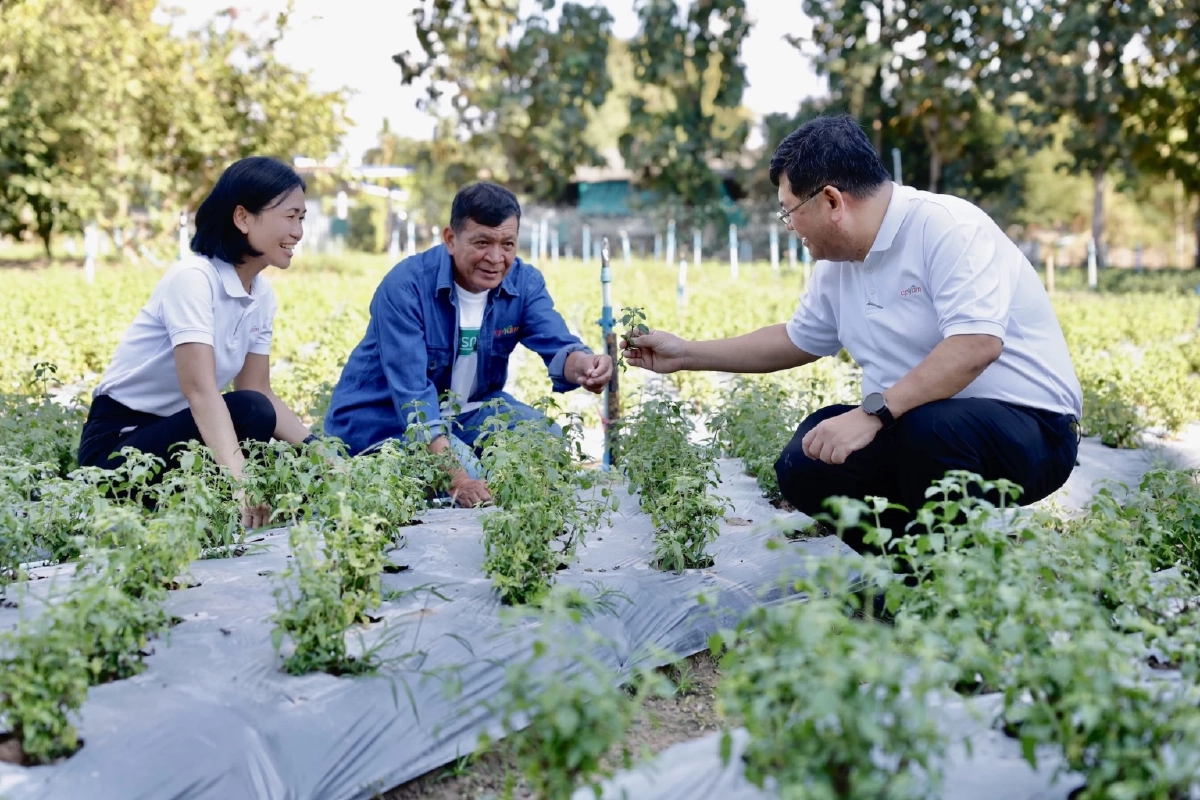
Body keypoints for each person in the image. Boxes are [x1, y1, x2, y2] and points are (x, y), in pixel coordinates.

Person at [623, 115, 1083, 554]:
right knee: (808, 457)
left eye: (789, 211)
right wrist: (685, 354)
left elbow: (976, 345)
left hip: (1033, 430)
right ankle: (918, 577)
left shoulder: (947, 227)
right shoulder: (838, 264)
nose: (789, 226)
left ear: (831, 201)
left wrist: (873, 414)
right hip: (919, 426)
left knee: (929, 430)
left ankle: (957, 582)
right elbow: (796, 339)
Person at [322, 182, 611, 507]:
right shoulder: (406, 287)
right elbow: (413, 401)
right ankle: (372, 473)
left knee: (548, 443)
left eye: (507, 244)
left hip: (468, 411)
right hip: (384, 417)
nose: (496, 258)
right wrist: (458, 480)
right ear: (450, 239)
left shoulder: (523, 283)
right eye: (482, 242)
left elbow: (558, 345)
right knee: (465, 472)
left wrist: (584, 365)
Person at [77, 156, 318, 528]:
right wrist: (242, 483)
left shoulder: (262, 294)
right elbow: (201, 392)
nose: (298, 232)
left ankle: (214, 509)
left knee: (256, 410)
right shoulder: (193, 278)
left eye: (301, 218)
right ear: (243, 218)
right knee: (249, 411)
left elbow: (258, 389)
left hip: (181, 433)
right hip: (119, 447)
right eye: (290, 216)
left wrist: (324, 455)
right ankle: (225, 504)